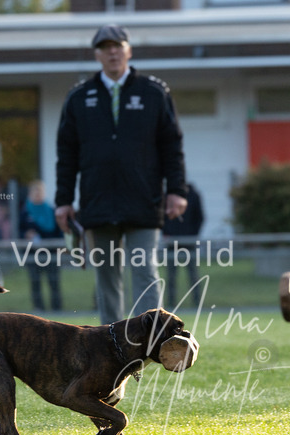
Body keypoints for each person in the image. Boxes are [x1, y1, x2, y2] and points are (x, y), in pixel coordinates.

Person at [54, 23, 188, 324]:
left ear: (128, 50)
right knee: (106, 278)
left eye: (118, 46)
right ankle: (111, 348)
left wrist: (177, 190)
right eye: (105, 47)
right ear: (97, 54)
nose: (112, 51)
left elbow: (172, 146)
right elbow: (66, 155)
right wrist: (63, 200)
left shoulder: (153, 92)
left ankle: (152, 341)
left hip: (144, 200)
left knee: (145, 272)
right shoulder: (79, 97)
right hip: (97, 203)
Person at [20, 179, 63, 312]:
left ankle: (57, 309)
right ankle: (39, 309)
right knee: (35, 282)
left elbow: (58, 232)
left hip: (51, 253)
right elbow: (19, 231)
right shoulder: (25, 212)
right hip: (32, 254)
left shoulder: (51, 210)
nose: (38, 194)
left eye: (40, 192)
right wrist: (26, 235)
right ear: (30, 193)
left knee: (53, 281)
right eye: (35, 192)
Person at [162, 181, 204, 309]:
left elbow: (200, 217)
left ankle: (197, 303)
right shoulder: (167, 196)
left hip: (189, 241)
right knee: (171, 275)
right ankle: (171, 304)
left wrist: (193, 235)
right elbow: (162, 216)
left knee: (193, 274)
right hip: (171, 241)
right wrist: (166, 232)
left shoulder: (194, 195)